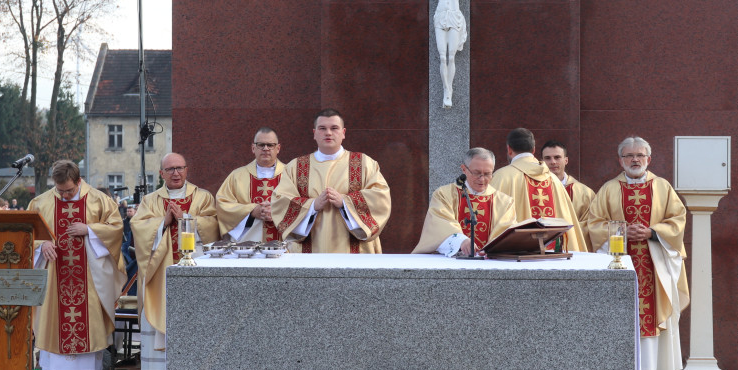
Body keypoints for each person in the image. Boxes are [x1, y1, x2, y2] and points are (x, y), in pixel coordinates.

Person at [586, 136, 690, 370]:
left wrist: (652, 231)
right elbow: (593, 224)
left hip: (653, 264)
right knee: (620, 322)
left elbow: (677, 219)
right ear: (620, 160)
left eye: (640, 155)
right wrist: (619, 230)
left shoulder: (663, 187)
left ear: (649, 159)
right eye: (629, 155)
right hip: (619, 264)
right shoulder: (609, 189)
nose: (635, 160)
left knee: (651, 322)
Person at [28, 160, 124, 370]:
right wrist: (42, 246)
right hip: (54, 276)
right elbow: (27, 232)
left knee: (88, 320)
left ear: (79, 181)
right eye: (59, 191)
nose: (64, 195)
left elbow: (116, 228)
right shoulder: (41, 202)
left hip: (89, 276)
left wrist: (90, 230)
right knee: (53, 319)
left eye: (69, 190)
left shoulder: (100, 201)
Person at [130, 153, 218, 370]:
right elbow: (138, 228)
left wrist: (187, 219)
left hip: (195, 272)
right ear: (161, 174)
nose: (175, 173)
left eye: (180, 168)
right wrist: (164, 221)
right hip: (161, 273)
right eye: (170, 169)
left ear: (187, 170)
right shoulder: (150, 200)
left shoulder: (202, 197)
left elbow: (214, 226)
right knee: (157, 313)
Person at [390, 0, 508, 108]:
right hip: (440, 16)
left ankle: (449, 91)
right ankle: (446, 89)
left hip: (454, 16)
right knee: (442, 56)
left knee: (451, 55)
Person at [271, 109, 391, 253]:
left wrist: (345, 203)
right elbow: (280, 201)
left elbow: (380, 198)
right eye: (322, 128)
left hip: (355, 251)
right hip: (309, 249)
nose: (328, 133)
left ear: (343, 132)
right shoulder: (296, 167)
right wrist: (313, 205)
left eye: (334, 128)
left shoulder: (364, 163)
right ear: (314, 133)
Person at [488, 128, 587, 252]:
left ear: (509, 149)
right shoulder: (553, 179)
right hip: (553, 258)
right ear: (533, 149)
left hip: (516, 255)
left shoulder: (502, 177)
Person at [412, 148, 516, 256]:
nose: (482, 179)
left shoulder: (505, 202)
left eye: (487, 174)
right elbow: (439, 226)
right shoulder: (444, 195)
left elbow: (506, 235)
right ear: (464, 169)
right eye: (477, 173)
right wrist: (461, 241)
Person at [216, 127, 285, 242]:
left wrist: (278, 211)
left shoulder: (291, 174)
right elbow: (223, 205)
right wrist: (252, 211)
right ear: (253, 148)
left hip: (283, 244)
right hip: (247, 247)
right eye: (261, 145)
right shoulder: (237, 176)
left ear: (278, 148)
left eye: (270, 145)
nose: (266, 149)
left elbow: (302, 205)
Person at [541, 140, 595, 240]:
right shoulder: (535, 190)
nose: (553, 162)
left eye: (557, 157)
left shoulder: (585, 193)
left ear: (566, 160)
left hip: (573, 248)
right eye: (547, 158)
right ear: (542, 162)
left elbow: (591, 225)